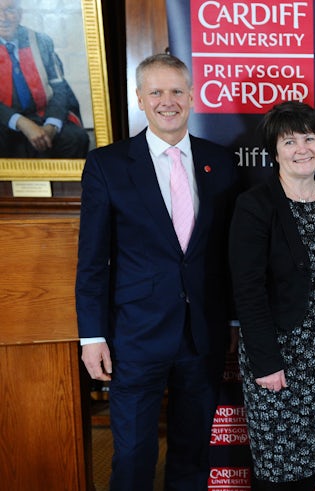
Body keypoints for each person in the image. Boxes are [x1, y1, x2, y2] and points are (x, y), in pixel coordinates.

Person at [76, 53, 239, 490]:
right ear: (140, 99)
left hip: (202, 335)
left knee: (192, 454)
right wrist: (91, 337)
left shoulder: (220, 162)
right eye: (156, 92)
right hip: (134, 336)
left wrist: (233, 320)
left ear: (192, 96)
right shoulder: (107, 165)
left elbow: (228, 253)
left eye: (176, 91)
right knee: (132, 456)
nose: (168, 101)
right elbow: (91, 261)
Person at [228, 101, 315, 491]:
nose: (302, 148)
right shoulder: (255, 205)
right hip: (279, 356)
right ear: (274, 151)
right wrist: (266, 362)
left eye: (309, 138)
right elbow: (247, 290)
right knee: (282, 469)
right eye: (289, 141)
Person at [0, 0, 89, 157]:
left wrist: (51, 126)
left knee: (76, 138)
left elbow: (60, 88)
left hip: (41, 115)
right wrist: (21, 123)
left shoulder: (40, 41)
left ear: (19, 14)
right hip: (4, 120)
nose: (3, 18)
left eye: (10, 11)